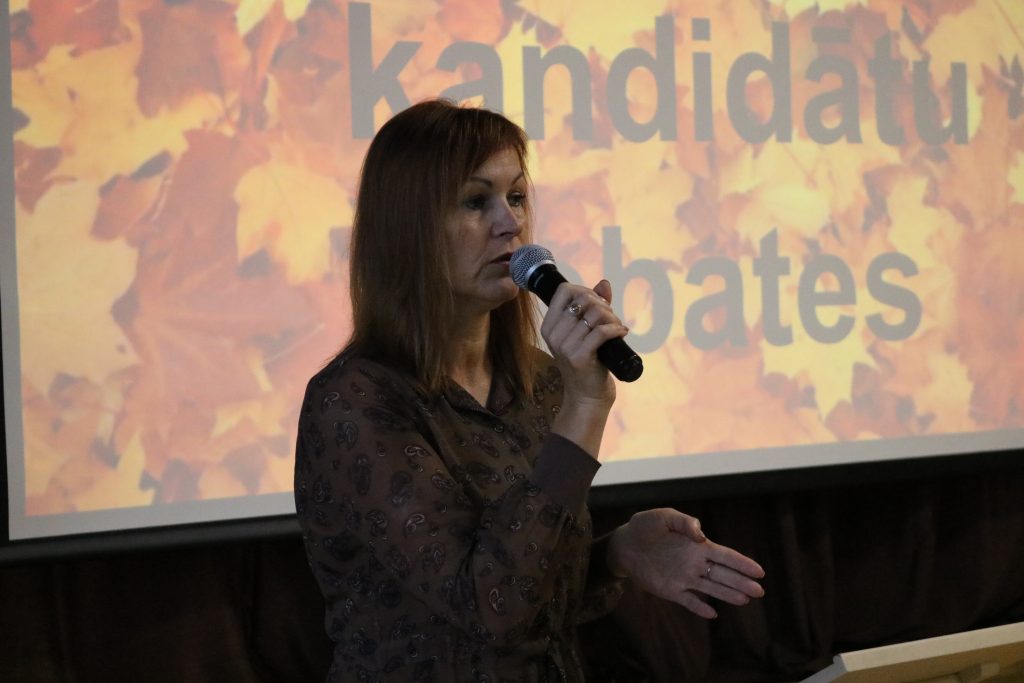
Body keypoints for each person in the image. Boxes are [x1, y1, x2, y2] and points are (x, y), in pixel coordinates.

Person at [294, 99, 765, 682]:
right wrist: (586, 406)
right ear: (408, 229)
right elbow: (488, 608)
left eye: (516, 197)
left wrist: (617, 553)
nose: (510, 224)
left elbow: (530, 582)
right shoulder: (355, 401)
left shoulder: (539, 381)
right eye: (476, 201)